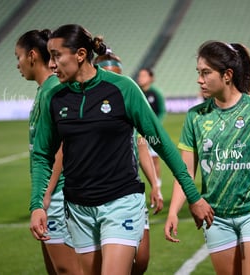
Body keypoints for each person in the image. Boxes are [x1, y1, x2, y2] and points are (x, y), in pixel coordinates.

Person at [32, 24, 213, 275]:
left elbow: (162, 143)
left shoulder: (122, 88)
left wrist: (193, 196)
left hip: (121, 201)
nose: (51, 65)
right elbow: (42, 155)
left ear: (81, 54)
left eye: (56, 56)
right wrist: (37, 205)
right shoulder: (55, 98)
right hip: (78, 208)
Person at [164, 40, 250, 275]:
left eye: (206, 73)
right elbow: (185, 172)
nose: (199, 80)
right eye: (198, 73)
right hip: (217, 218)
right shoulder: (195, 116)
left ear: (227, 75)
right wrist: (174, 210)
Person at [15, 29, 82, 275]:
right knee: (55, 270)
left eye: (18, 57)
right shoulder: (44, 89)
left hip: (57, 194)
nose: (17, 64)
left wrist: (45, 195)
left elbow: (61, 147)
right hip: (51, 194)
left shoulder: (54, 88)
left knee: (67, 269)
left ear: (32, 56)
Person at [93, 50, 163, 275]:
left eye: (118, 74)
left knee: (141, 260)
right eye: (109, 73)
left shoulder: (126, 99)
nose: (114, 80)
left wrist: (155, 184)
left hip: (129, 189)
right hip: (96, 192)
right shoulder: (85, 107)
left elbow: (142, 144)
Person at [136, 68, 166, 190]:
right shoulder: (137, 92)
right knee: (139, 158)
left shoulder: (156, 93)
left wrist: (154, 125)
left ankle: (157, 185)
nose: (140, 78)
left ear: (151, 78)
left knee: (154, 158)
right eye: (140, 75)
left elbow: (162, 111)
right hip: (139, 132)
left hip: (152, 132)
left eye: (144, 75)